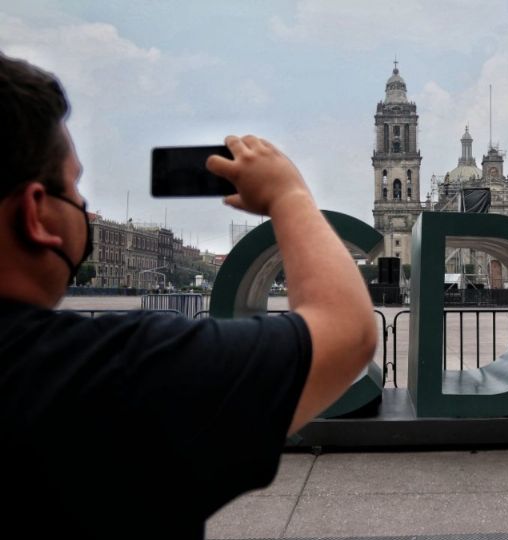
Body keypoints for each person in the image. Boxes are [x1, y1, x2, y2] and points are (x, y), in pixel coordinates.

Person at [0, 52, 378, 538]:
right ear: (36, 213)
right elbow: (345, 333)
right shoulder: (118, 373)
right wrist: (289, 196)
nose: (82, 209)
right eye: (74, 191)